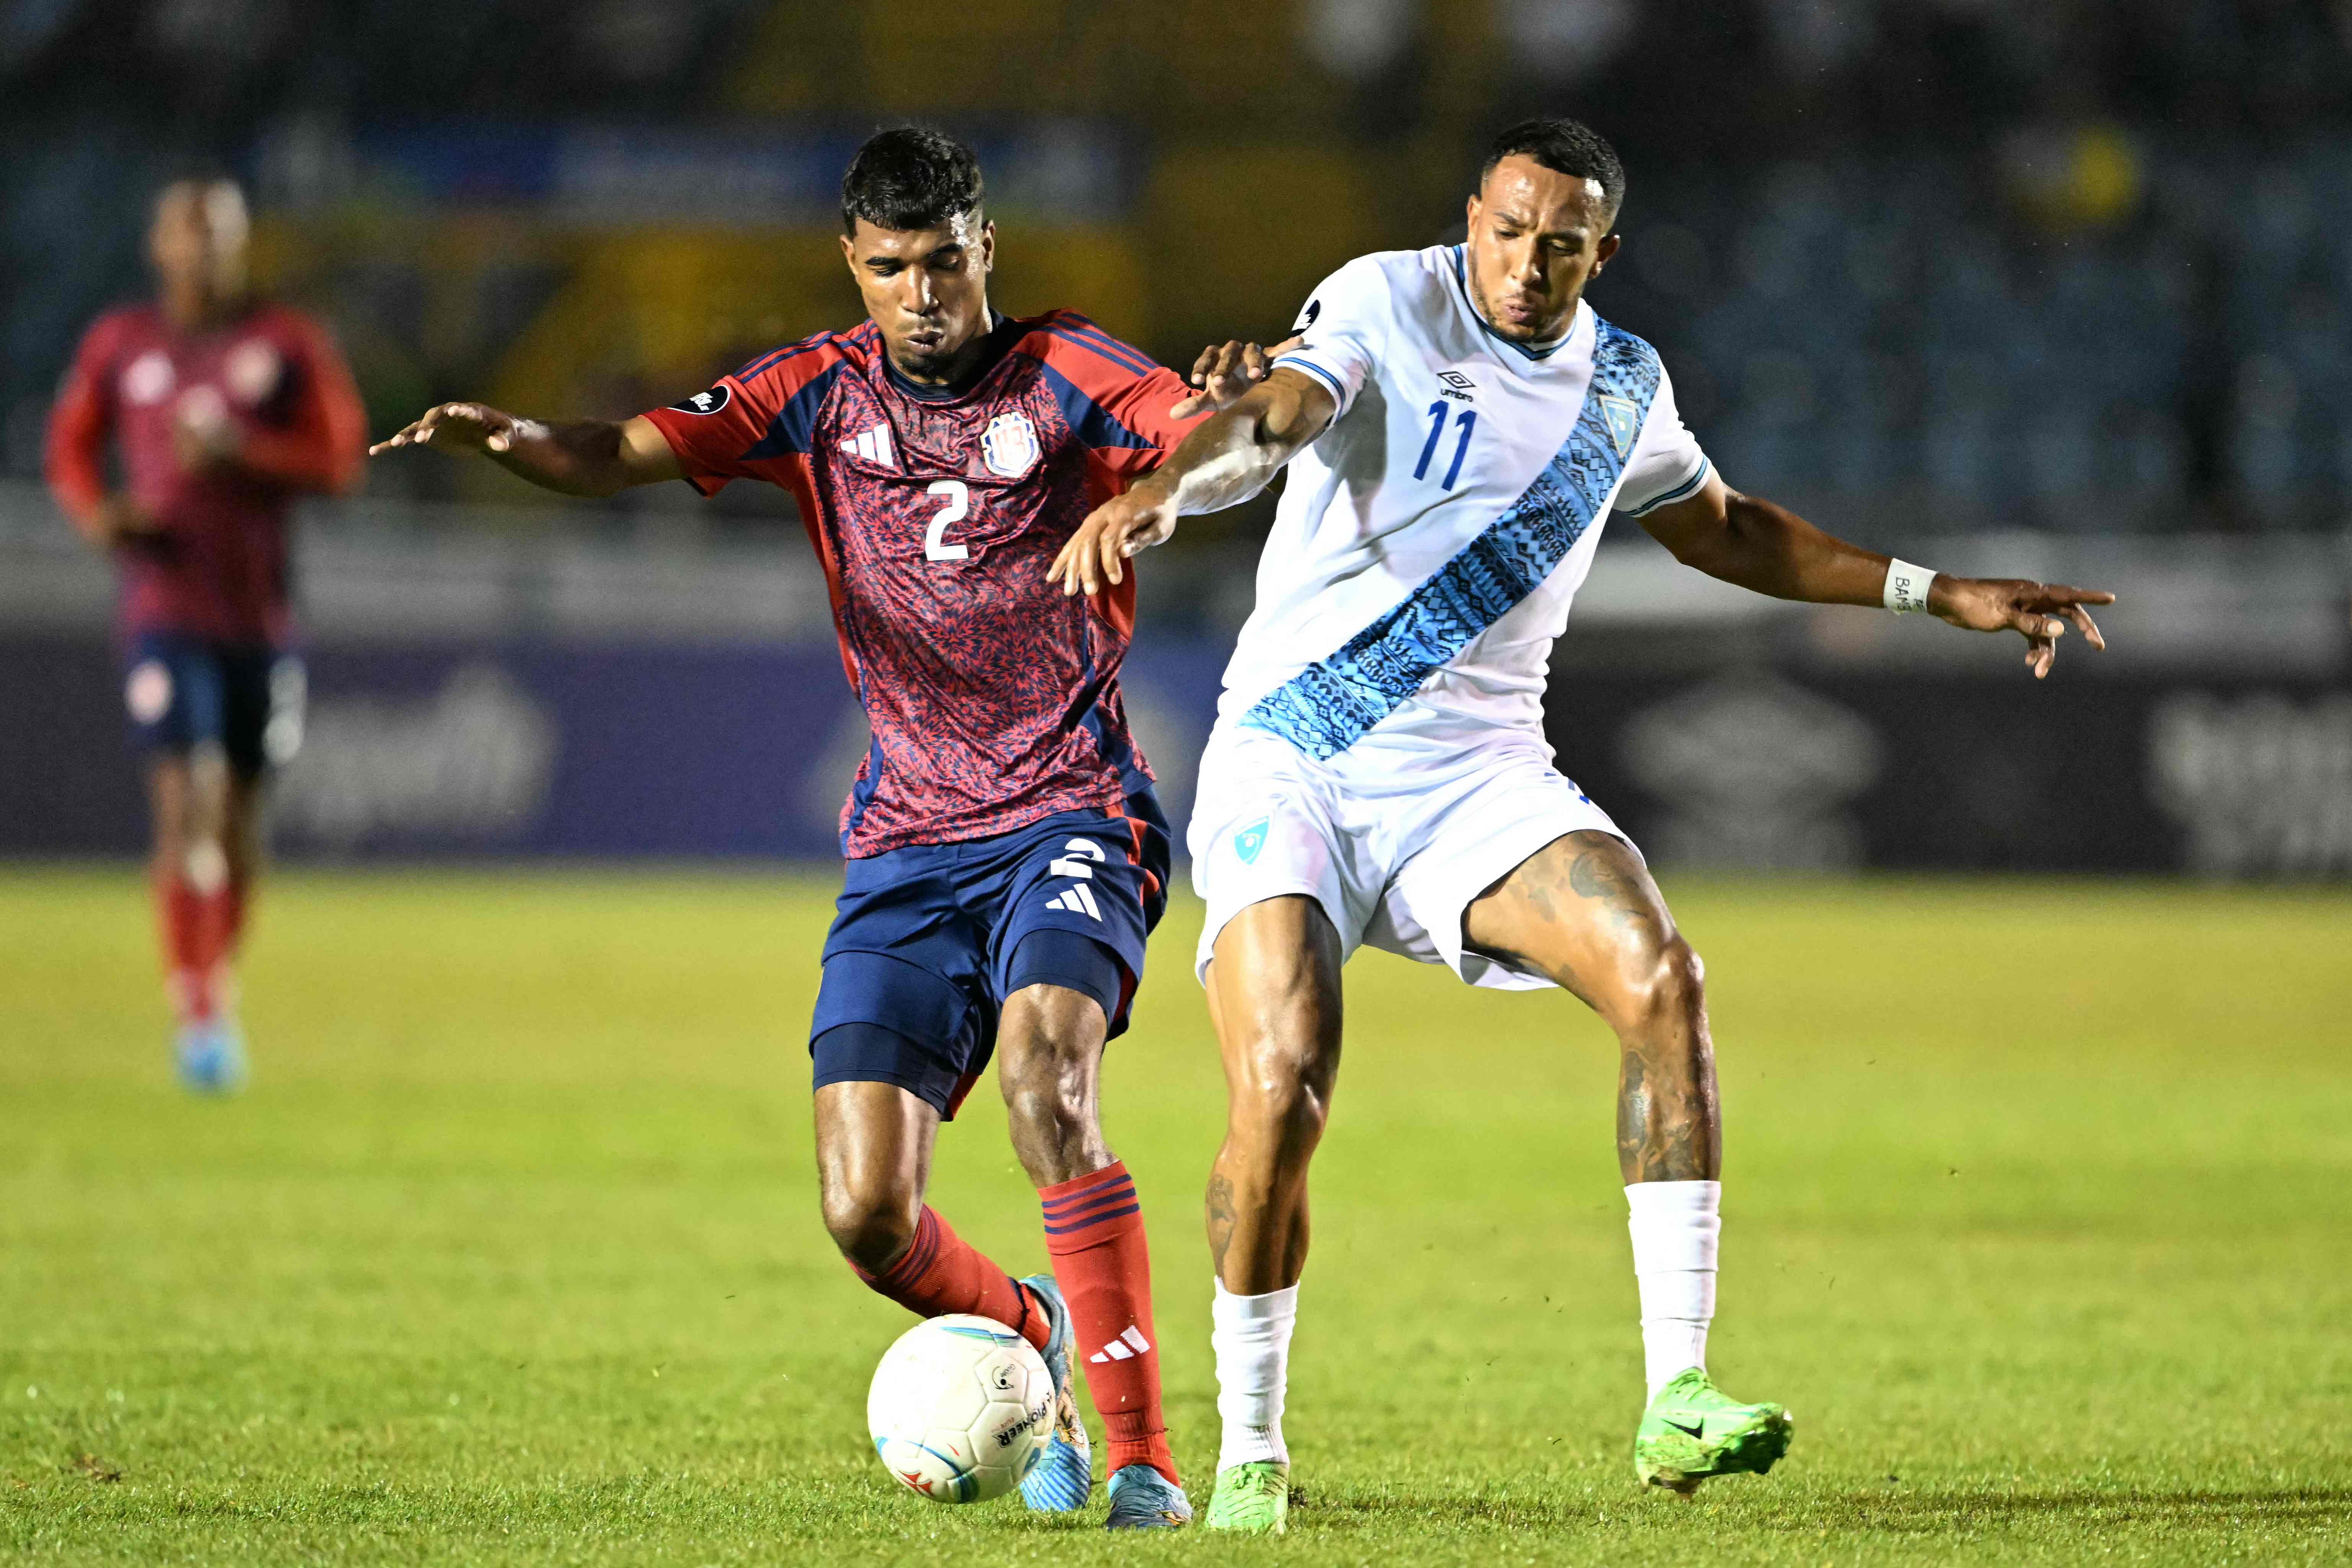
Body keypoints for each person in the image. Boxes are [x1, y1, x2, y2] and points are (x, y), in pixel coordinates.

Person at [1051, 116, 2117, 1532]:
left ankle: (1675, 1391)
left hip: (1476, 774)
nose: (1525, 261)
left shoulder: (1622, 384)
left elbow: (1721, 524)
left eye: (1562, 242)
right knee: (1285, 1082)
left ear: (1601, 252)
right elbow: (1274, 415)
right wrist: (1162, 486)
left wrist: (1935, 590)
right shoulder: (1384, 294)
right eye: (1505, 226)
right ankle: (1251, 1439)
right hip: (1292, 757)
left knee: (1660, 979)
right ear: (1468, 217)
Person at [372, 126, 1271, 1530]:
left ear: (989, 252)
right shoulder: (810, 393)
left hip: (1069, 809)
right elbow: (624, 448)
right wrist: (515, 440)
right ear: (854, 266)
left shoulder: (1067, 367)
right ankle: (1025, 1324)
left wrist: (1158, 489)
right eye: (892, 268)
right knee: (864, 1212)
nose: (922, 294)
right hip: (904, 844)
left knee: (1048, 1081)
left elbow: (1211, 430)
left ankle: (1144, 1452)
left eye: (945, 263)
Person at [46, 176, 369, 1092]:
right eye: (191, 235)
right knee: (185, 800)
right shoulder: (123, 343)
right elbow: (70, 445)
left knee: (237, 829)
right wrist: (95, 514)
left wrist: (243, 456)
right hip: (165, 606)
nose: (207, 252)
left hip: (259, 618)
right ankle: (198, 1008)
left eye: (221, 236)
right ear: (160, 247)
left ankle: (212, 979)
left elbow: (341, 458)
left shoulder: (284, 343)